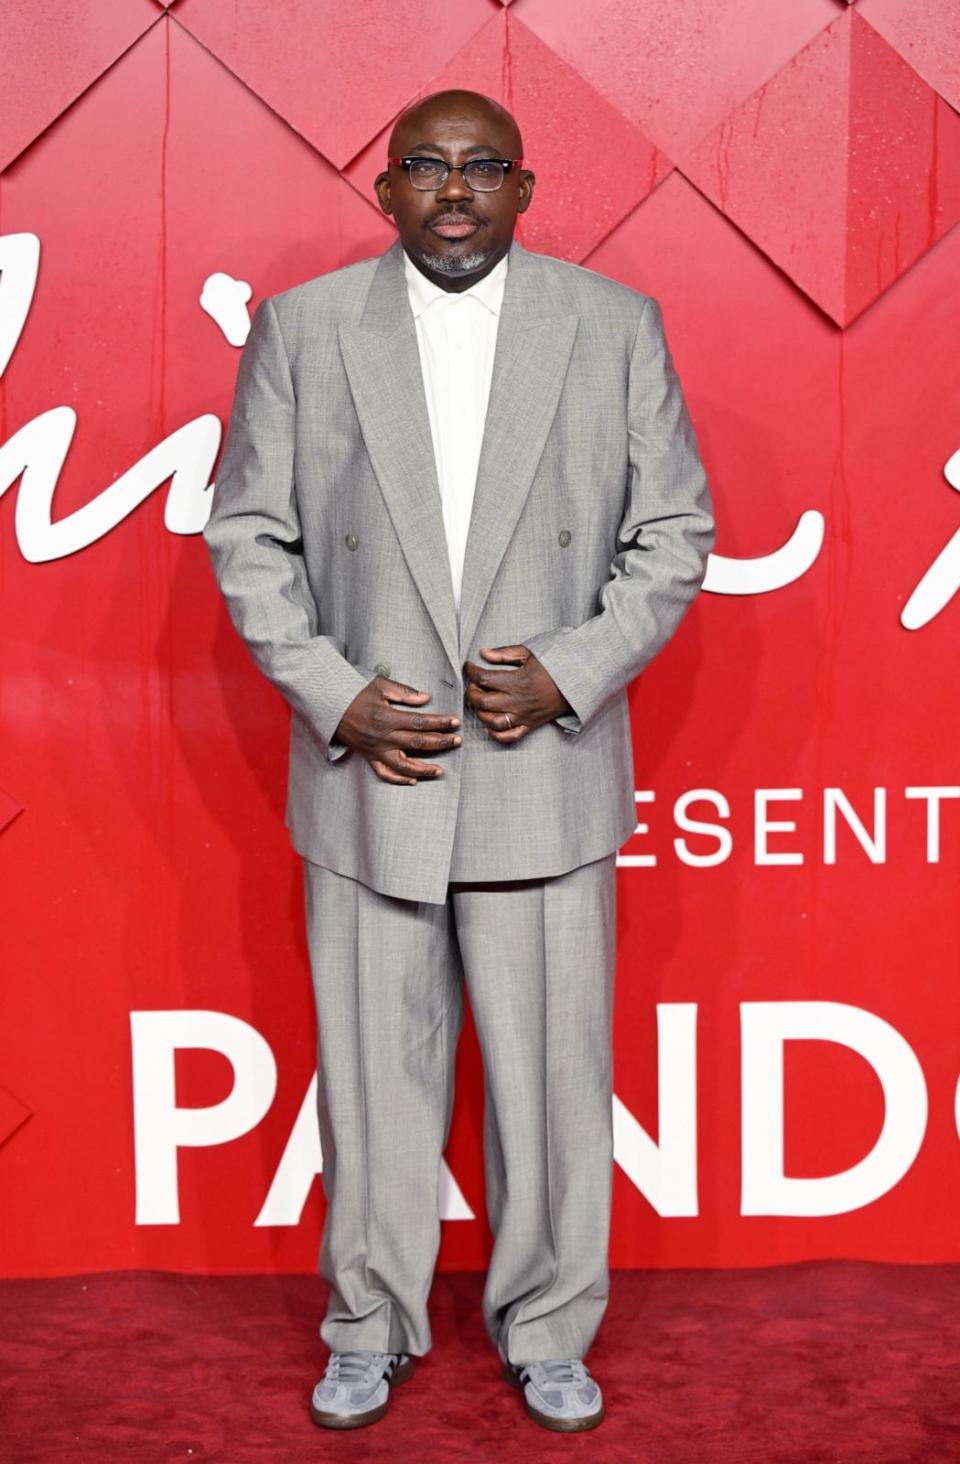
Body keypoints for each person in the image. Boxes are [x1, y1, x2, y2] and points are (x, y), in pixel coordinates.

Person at [202, 86, 715, 1435]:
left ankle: (550, 1326)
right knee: (372, 1081)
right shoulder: (305, 331)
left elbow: (673, 535)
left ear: (524, 189)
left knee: (552, 1081)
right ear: (383, 192)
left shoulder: (612, 330)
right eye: (424, 168)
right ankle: (368, 1324)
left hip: (542, 765)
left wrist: (572, 671)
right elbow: (249, 540)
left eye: (482, 168)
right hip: (377, 771)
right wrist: (334, 695)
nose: (453, 191)